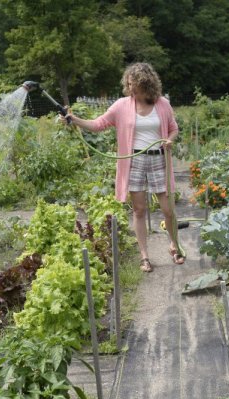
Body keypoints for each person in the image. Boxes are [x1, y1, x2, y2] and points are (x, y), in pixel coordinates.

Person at [64, 62, 183, 272]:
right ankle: (145, 256)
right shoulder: (121, 105)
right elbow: (98, 124)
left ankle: (174, 246)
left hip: (159, 160)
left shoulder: (162, 104)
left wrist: (170, 140)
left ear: (146, 84)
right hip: (134, 161)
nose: (130, 88)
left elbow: (174, 129)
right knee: (139, 210)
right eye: (128, 84)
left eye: (134, 84)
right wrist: (75, 120)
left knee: (168, 209)